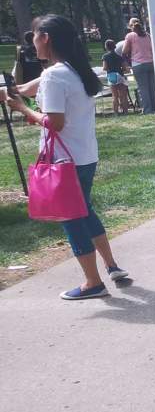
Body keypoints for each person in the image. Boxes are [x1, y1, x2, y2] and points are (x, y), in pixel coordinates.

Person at [3, 15, 131, 299]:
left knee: (71, 217)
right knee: (84, 210)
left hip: (64, 160)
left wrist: (22, 109)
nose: (32, 42)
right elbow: (31, 88)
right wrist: (15, 93)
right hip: (84, 155)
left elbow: (54, 122)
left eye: (34, 36)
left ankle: (92, 283)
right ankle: (112, 266)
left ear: (45, 38)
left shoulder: (54, 74)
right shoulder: (74, 69)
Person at [123, 17, 155, 114]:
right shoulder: (147, 35)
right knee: (152, 87)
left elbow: (124, 51)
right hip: (150, 63)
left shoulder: (130, 36)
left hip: (138, 64)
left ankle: (148, 110)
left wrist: (128, 61)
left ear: (130, 26)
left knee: (143, 88)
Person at [101, 38, 132, 114]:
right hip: (120, 76)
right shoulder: (119, 57)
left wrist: (110, 69)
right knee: (123, 96)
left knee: (115, 96)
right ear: (115, 46)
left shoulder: (105, 56)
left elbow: (104, 68)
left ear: (106, 47)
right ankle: (125, 112)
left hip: (112, 77)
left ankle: (116, 113)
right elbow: (125, 68)